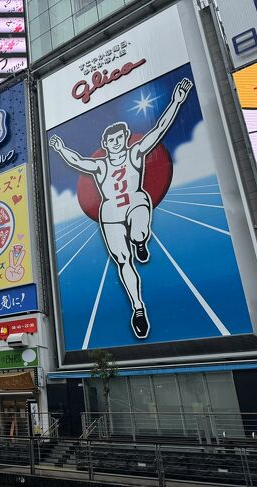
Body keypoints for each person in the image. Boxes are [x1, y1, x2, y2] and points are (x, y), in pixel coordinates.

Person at [49, 78, 193, 339]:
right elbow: (78, 161)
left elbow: (159, 129)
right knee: (123, 261)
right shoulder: (101, 165)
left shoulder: (135, 153)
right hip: (111, 213)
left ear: (125, 138)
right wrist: (60, 149)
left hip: (135, 202)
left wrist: (177, 101)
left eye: (120, 137)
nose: (116, 142)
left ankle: (140, 240)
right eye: (111, 139)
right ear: (105, 145)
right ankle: (138, 308)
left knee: (139, 210)